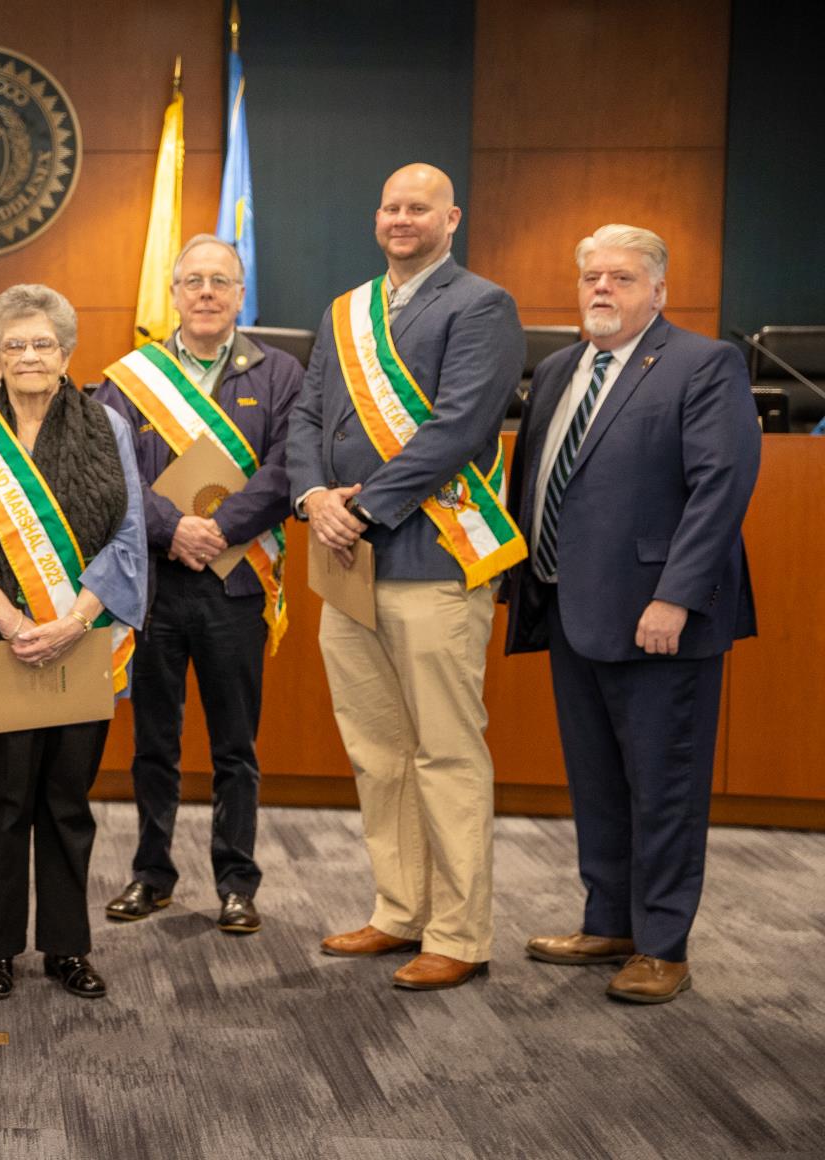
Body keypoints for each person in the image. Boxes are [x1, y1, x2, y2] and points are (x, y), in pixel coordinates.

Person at [504, 225, 759, 1004]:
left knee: (665, 783)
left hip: (658, 617)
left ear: (658, 290)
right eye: (591, 278)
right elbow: (540, 481)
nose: (602, 289)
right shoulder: (554, 371)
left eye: (620, 277)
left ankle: (662, 944)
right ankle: (608, 920)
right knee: (598, 782)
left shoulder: (702, 364)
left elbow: (722, 487)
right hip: (570, 607)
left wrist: (675, 596)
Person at [287, 163, 525, 991]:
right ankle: (401, 910)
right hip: (346, 563)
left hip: (432, 560)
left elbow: (459, 426)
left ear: (450, 218)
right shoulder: (345, 310)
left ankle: (460, 931)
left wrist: (366, 506)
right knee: (378, 752)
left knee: (446, 753)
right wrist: (315, 496)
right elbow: (309, 415)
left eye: (418, 207)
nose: (400, 218)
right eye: (390, 205)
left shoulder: (480, 305)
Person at [0, 284, 147, 1001]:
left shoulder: (107, 429)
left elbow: (129, 538)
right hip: (0, 646)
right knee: (2, 800)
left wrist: (73, 621)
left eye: (42, 343)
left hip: (81, 641)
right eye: (14, 345)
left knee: (67, 800)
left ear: (67, 353)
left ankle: (66, 947)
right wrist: (19, 624)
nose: (28, 356)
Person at [94, 234, 302, 934]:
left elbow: (286, 468)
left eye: (221, 281)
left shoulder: (280, 374)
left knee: (234, 747)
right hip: (154, 583)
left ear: (242, 295)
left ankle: (237, 881)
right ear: (174, 294)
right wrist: (172, 529)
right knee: (153, 740)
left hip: (236, 583)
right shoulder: (128, 379)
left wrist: (219, 528)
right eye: (194, 281)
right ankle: (152, 874)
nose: (207, 292)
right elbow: (110, 475)